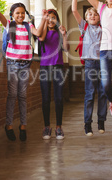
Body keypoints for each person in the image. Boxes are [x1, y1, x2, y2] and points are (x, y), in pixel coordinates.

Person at [0, 0, 46, 142]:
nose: (20, 15)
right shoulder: (10, 25)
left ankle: (23, 125)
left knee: (22, 95)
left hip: (25, 64)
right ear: (12, 15)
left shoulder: (28, 26)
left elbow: (39, 34)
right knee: (12, 94)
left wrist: (44, 19)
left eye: (23, 13)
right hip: (13, 63)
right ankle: (8, 124)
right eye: (17, 13)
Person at [71, 0, 106, 136]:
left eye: (95, 14)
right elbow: (73, 10)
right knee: (90, 93)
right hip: (90, 63)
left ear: (100, 17)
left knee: (103, 93)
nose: (92, 16)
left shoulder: (104, 27)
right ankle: (87, 124)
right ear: (86, 18)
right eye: (90, 14)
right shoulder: (84, 27)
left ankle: (101, 122)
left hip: (103, 62)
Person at [38, 9, 69, 140]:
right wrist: (44, 19)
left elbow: (66, 49)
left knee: (59, 98)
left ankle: (58, 127)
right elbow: (42, 38)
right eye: (48, 17)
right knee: (45, 99)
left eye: (53, 18)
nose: (51, 20)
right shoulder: (41, 32)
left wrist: (65, 34)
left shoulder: (59, 33)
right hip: (45, 68)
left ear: (57, 20)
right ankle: (46, 127)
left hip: (58, 67)